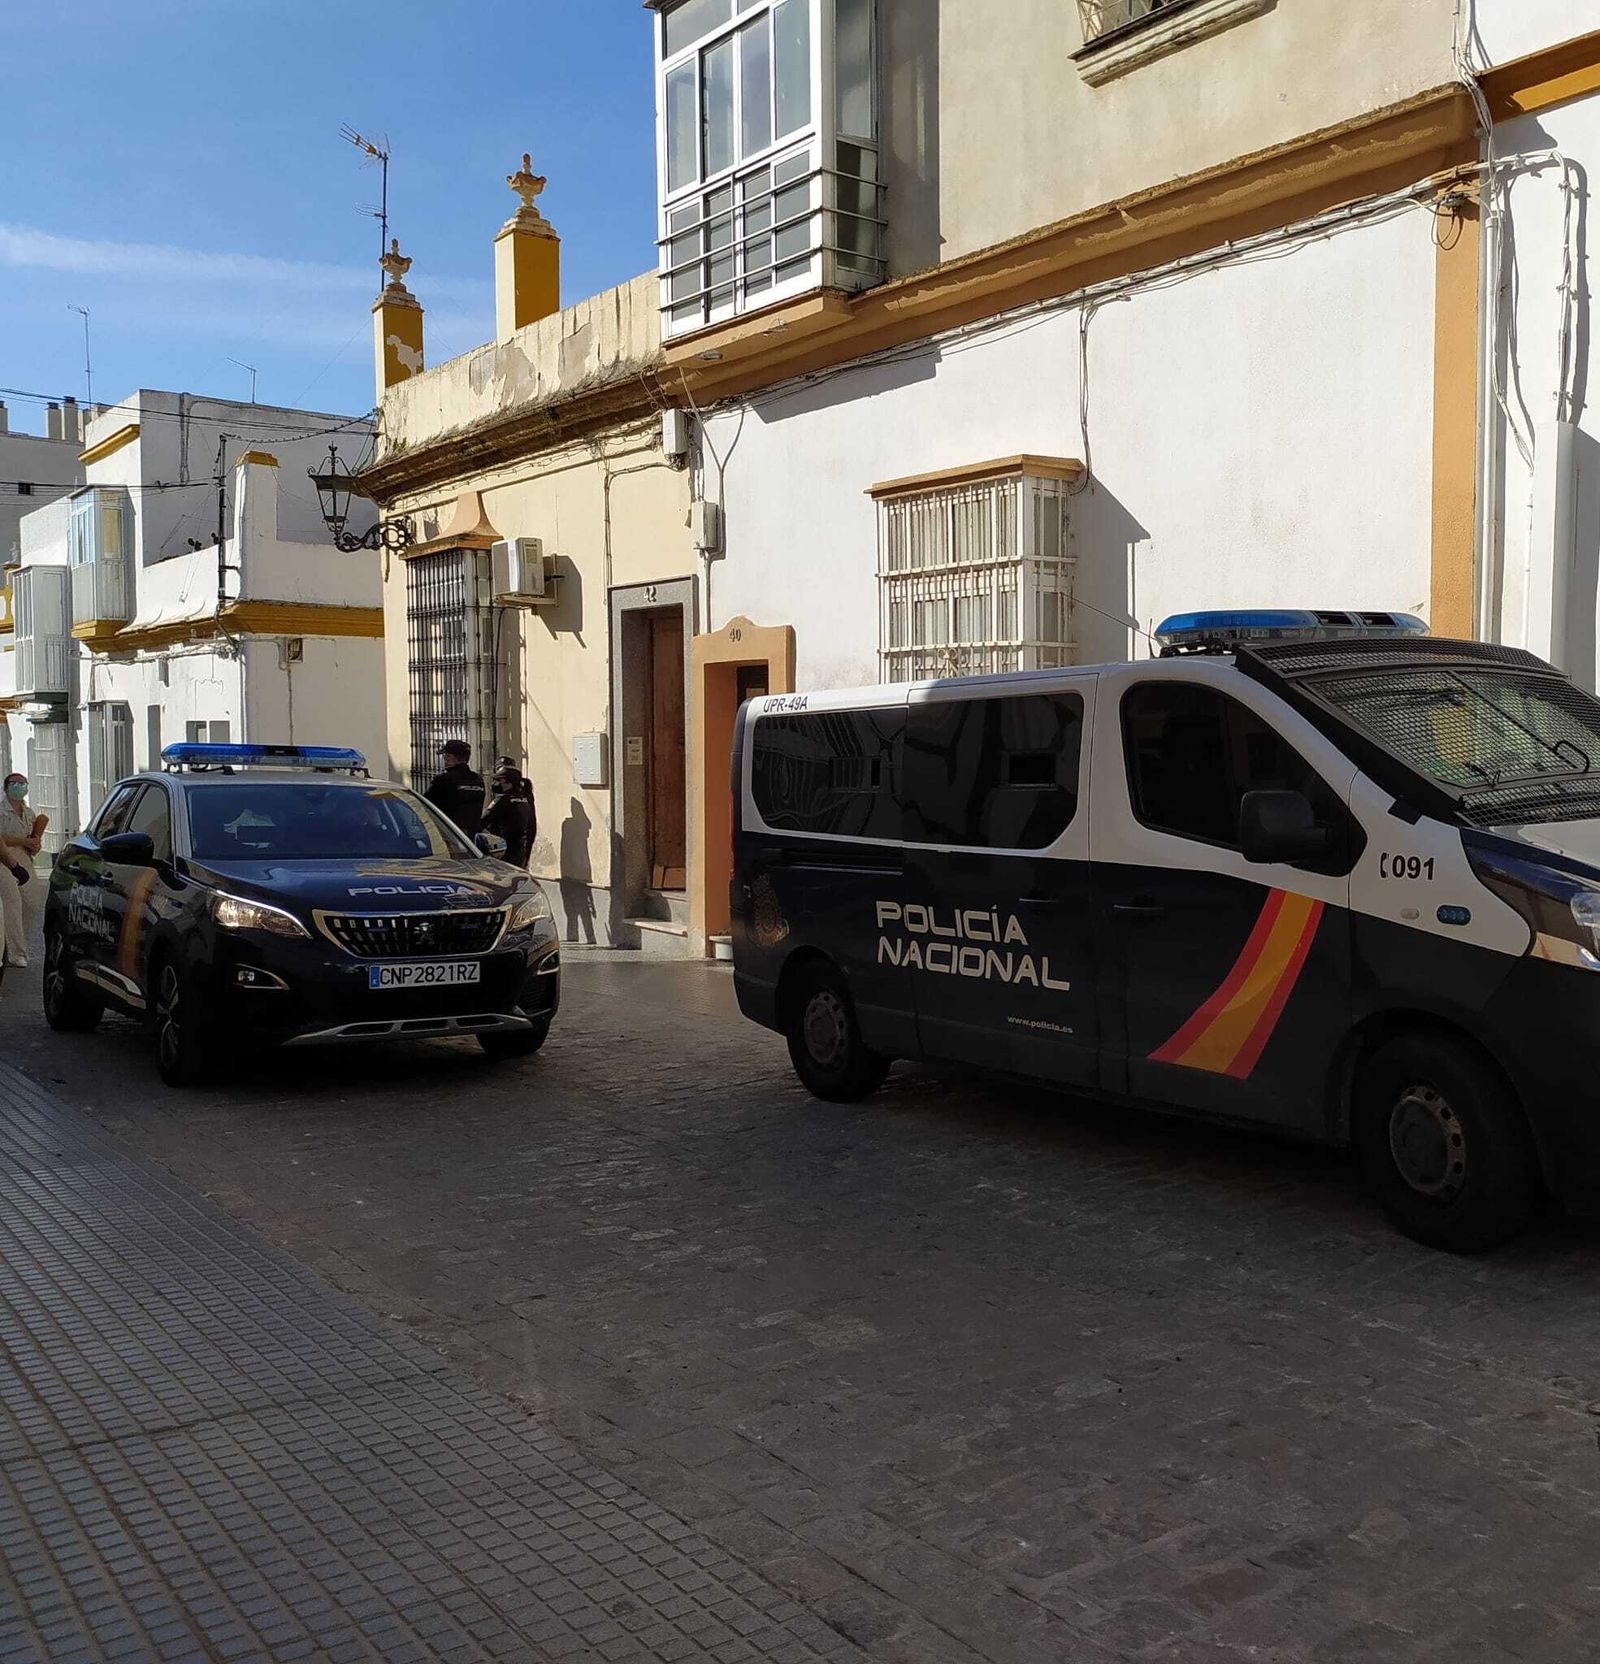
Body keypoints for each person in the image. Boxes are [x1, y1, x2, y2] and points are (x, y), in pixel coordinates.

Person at [0, 773, 46, 970]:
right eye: (15, 784)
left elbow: (32, 837)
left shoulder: (28, 812)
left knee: (32, 901)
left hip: (24, 857)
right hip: (3, 857)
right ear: (6, 787)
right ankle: (16, 952)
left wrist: (34, 844)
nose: (20, 787)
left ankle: (14, 939)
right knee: (12, 900)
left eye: (23, 783)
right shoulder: (1, 811)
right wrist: (23, 842)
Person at [424, 739, 487, 837]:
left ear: (450, 757)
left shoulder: (443, 780)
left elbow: (427, 806)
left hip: (449, 835)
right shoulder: (478, 780)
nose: (444, 758)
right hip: (472, 839)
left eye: (445, 755)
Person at [481, 765, 536, 869]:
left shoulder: (502, 800)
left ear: (507, 782)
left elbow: (483, 820)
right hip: (520, 852)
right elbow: (531, 827)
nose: (496, 784)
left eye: (499, 780)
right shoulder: (525, 799)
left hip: (502, 851)